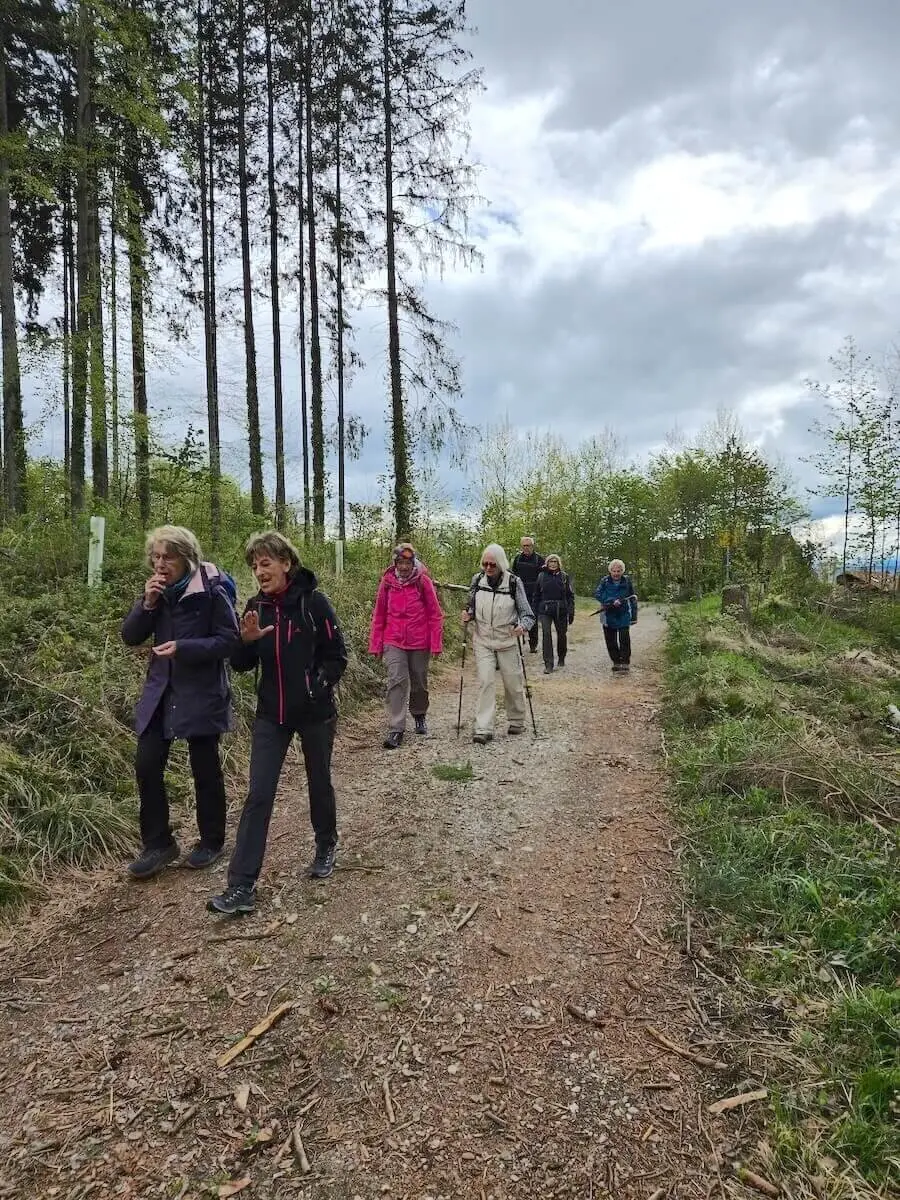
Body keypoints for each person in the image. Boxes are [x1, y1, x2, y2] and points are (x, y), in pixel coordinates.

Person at [208, 532, 348, 916]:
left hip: (315, 712)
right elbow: (240, 665)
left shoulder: (314, 604)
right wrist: (246, 640)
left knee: (318, 779)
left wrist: (318, 683)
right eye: (254, 565)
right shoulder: (255, 607)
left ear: (286, 563)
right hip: (271, 715)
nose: (259, 571)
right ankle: (241, 886)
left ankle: (325, 843)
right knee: (258, 795)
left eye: (265, 563)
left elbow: (338, 656)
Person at [121, 525, 239, 880]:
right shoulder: (157, 593)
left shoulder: (212, 591)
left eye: (167, 557)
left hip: (201, 690)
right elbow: (130, 635)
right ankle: (158, 844)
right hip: (161, 691)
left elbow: (229, 641)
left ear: (186, 558)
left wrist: (184, 648)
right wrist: (147, 604)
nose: (159, 565)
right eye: (155, 557)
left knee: (203, 767)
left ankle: (212, 841)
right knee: (147, 764)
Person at [369, 543, 444, 749]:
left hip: (420, 640)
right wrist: (375, 644)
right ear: (394, 563)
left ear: (414, 562)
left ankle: (419, 714)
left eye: (407, 562)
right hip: (393, 639)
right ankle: (396, 728)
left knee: (419, 679)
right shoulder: (388, 582)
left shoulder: (423, 581)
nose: (403, 567)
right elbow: (379, 614)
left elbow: (435, 614)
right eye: (400, 562)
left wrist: (436, 643)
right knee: (396, 679)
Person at [462, 543, 535, 744]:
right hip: (483, 639)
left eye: (492, 564)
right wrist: (468, 614)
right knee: (486, 682)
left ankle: (517, 719)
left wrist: (522, 627)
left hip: (508, 640)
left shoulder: (514, 582)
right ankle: (483, 728)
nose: (487, 568)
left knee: (513, 684)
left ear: (500, 564)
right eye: (484, 564)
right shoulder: (477, 580)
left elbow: (528, 615)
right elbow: (471, 606)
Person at [594, 559, 638, 672]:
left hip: (623, 613)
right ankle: (616, 662)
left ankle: (625, 662)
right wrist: (611, 601)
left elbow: (633, 598)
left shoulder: (627, 581)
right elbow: (598, 594)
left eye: (618, 571)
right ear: (610, 571)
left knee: (624, 638)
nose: (616, 573)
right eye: (614, 571)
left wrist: (634, 616)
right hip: (608, 613)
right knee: (610, 640)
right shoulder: (605, 581)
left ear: (622, 571)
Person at [534, 553, 575, 673]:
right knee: (546, 635)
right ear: (547, 564)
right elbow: (536, 595)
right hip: (545, 610)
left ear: (558, 564)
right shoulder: (541, 576)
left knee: (562, 634)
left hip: (561, 610)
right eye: (550, 562)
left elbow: (570, 596)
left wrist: (571, 612)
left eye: (555, 562)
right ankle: (548, 664)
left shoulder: (564, 577)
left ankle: (561, 657)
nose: (552, 564)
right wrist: (534, 612)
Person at [512, 536, 544, 653]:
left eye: (528, 545)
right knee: (518, 618)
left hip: (534, 594)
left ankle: (533, 644)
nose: (526, 548)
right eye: (524, 546)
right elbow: (513, 575)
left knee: (532, 618)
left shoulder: (539, 559)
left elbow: (543, 578)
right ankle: (520, 641)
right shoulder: (517, 559)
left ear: (532, 546)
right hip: (519, 592)